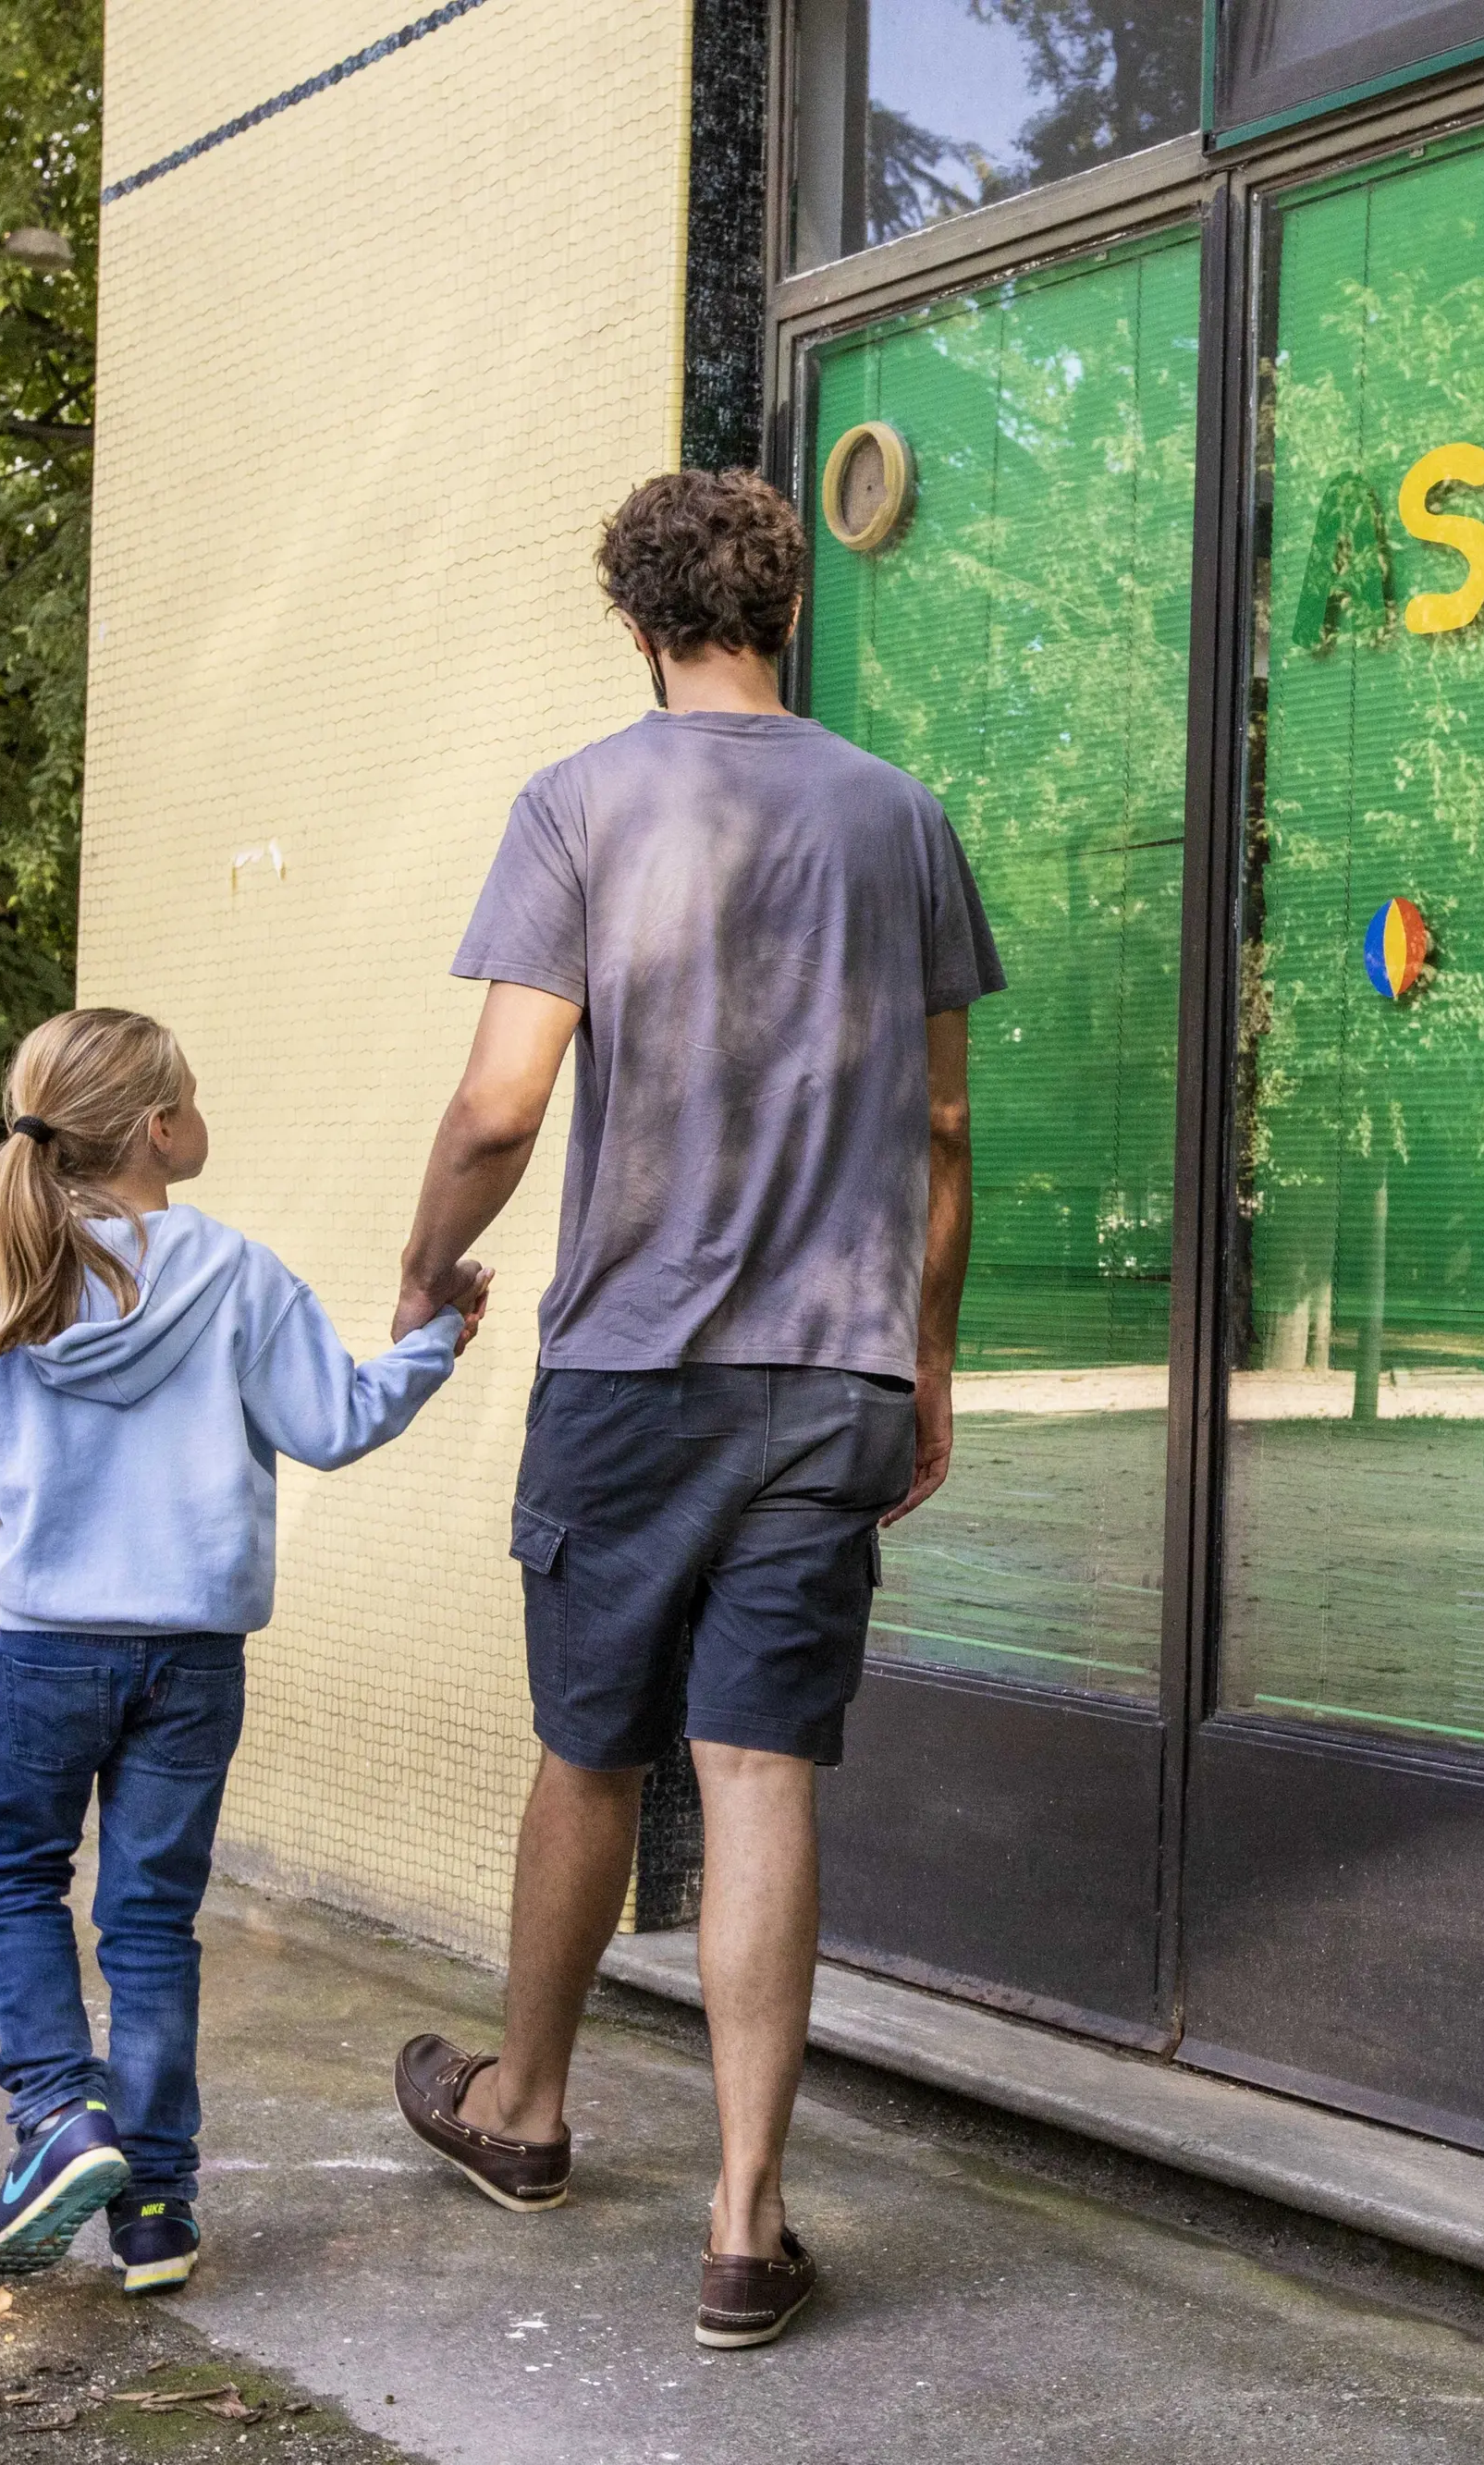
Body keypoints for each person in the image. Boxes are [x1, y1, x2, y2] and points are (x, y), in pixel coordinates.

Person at [388, 467, 1003, 2351]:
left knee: (591, 1749)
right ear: (783, 611)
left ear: (637, 622)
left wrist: (422, 1264)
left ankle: (531, 2108)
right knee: (760, 1771)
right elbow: (950, 1124)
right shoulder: (901, 817)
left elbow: (502, 1104)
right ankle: (745, 2217)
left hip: (632, 1370)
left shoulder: (579, 804)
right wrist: (929, 1351)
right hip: (827, 1371)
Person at [0, 1009, 485, 2291]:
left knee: (16, 1875)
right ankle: (159, 2209)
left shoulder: (4, 1296)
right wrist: (429, 1345)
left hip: (47, 1655)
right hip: (192, 1659)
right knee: (150, 1920)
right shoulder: (239, 1274)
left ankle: (57, 2116)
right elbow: (334, 1422)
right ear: (157, 1129)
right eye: (192, 1092)